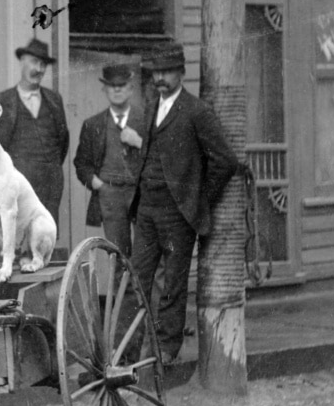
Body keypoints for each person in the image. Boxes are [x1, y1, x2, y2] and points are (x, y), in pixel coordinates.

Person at [128, 43, 239, 364]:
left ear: (181, 72)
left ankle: (166, 348)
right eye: (156, 72)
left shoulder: (196, 111)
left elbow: (226, 161)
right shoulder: (151, 106)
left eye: (167, 72)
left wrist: (198, 198)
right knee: (138, 278)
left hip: (177, 214)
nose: (160, 78)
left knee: (172, 284)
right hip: (146, 209)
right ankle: (134, 347)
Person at [73, 62, 147, 257]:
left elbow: (161, 155)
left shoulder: (146, 119)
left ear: (131, 89)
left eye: (121, 85)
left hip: (142, 193)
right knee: (118, 255)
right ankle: (123, 289)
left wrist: (139, 141)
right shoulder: (93, 124)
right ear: (104, 89)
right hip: (110, 195)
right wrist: (97, 184)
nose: (116, 89)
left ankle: (142, 289)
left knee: (146, 253)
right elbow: (81, 163)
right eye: (112, 85)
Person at [0, 37, 69, 219]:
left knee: (44, 238)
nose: (39, 69)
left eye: (43, 64)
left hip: (49, 184)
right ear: (22, 61)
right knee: (16, 236)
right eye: (34, 62)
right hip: (16, 183)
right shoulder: (2, 101)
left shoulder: (54, 100)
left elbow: (63, 141)